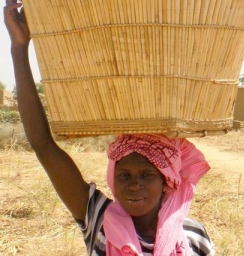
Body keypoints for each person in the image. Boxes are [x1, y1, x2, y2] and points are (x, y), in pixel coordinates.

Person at [5, 1, 216, 255]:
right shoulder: (99, 221)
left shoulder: (194, 237)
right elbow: (43, 145)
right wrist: (19, 47)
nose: (133, 184)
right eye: (123, 174)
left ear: (166, 181)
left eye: (147, 175)